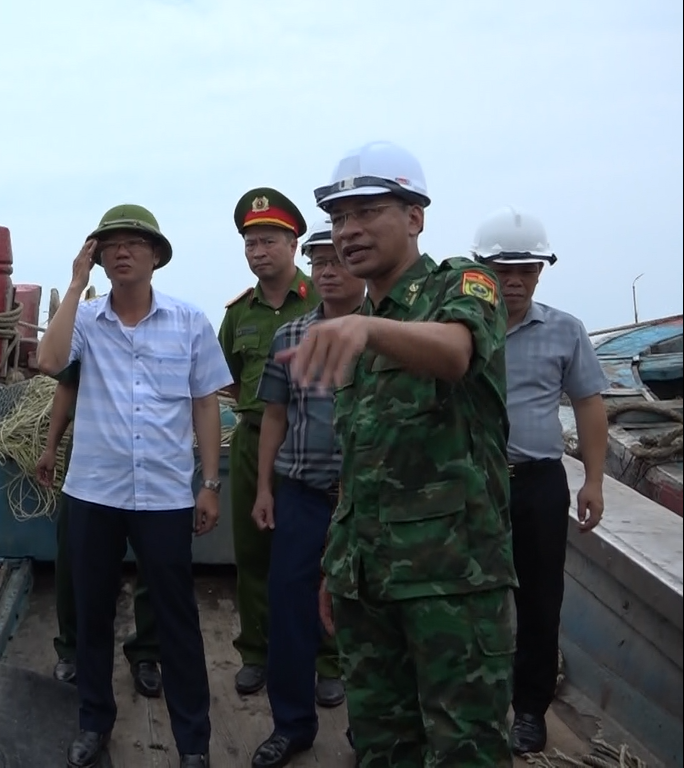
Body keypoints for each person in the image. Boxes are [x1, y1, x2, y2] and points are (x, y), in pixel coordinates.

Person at [281, 140, 518, 766]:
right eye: (339, 218)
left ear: (415, 217)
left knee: (465, 750)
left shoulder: (460, 285)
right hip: (366, 583)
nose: (348, 232)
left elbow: (456, 352)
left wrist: (368, 328)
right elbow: (361, 462)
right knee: (382, 748)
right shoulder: (362, 323)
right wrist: (338, 563)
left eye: (367, 213)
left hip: (452, 582)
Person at [37, 204, 230, 768]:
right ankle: (94, 722)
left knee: (178, 622)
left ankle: (193, 744)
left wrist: (210, 483)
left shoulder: (189, 321)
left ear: (156, 256)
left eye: (135, 243)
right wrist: (76, 283)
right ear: (98, 257)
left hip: (165, 496)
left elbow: (205, 404)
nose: (122, 252)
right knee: (92, 615)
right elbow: (49, 361)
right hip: (94, 493)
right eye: (111, 244)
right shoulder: (85, 321)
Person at [471, 206, 609, 755]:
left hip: (538, 484)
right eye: (503, 270)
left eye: (527, 269)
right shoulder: (456, 329)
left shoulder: (565, 330)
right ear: (480, 269)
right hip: (471, 483)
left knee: (540, 598)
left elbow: (589, 404)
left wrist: (594, 481)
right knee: (467, 593)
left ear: (540, 272)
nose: (515, 281)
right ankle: (469, 701)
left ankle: (529, 710)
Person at [249, 224, 363, 767]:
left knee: (369, 615)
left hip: (368, 499)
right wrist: (264, 488)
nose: (328, 271)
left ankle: (371, 729)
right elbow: (275, 415)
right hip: (301, 495)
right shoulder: (289, 335)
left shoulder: (390, 332)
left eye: (338, 259)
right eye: (319, 262)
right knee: (290, 610)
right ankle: (291, 725)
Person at [217, 188, 335, 699]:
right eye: (251, 243)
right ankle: (257, 652)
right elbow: (226, 378)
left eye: (269, 241)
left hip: (315, 440)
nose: (259, 252)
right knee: (254, 550)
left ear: (293, 245)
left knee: (323, 552)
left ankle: (329, 661)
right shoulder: (239, 313)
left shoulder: (324, 300)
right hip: (252, 438)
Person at [36, 359, 163, 697]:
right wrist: (50, 447)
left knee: (155, 558)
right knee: (75, 555)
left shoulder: (172, 332)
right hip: (90, 456)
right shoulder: (88, 330)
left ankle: (147, 652)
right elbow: (66, 384)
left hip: (152, 453)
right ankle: (73, 648)